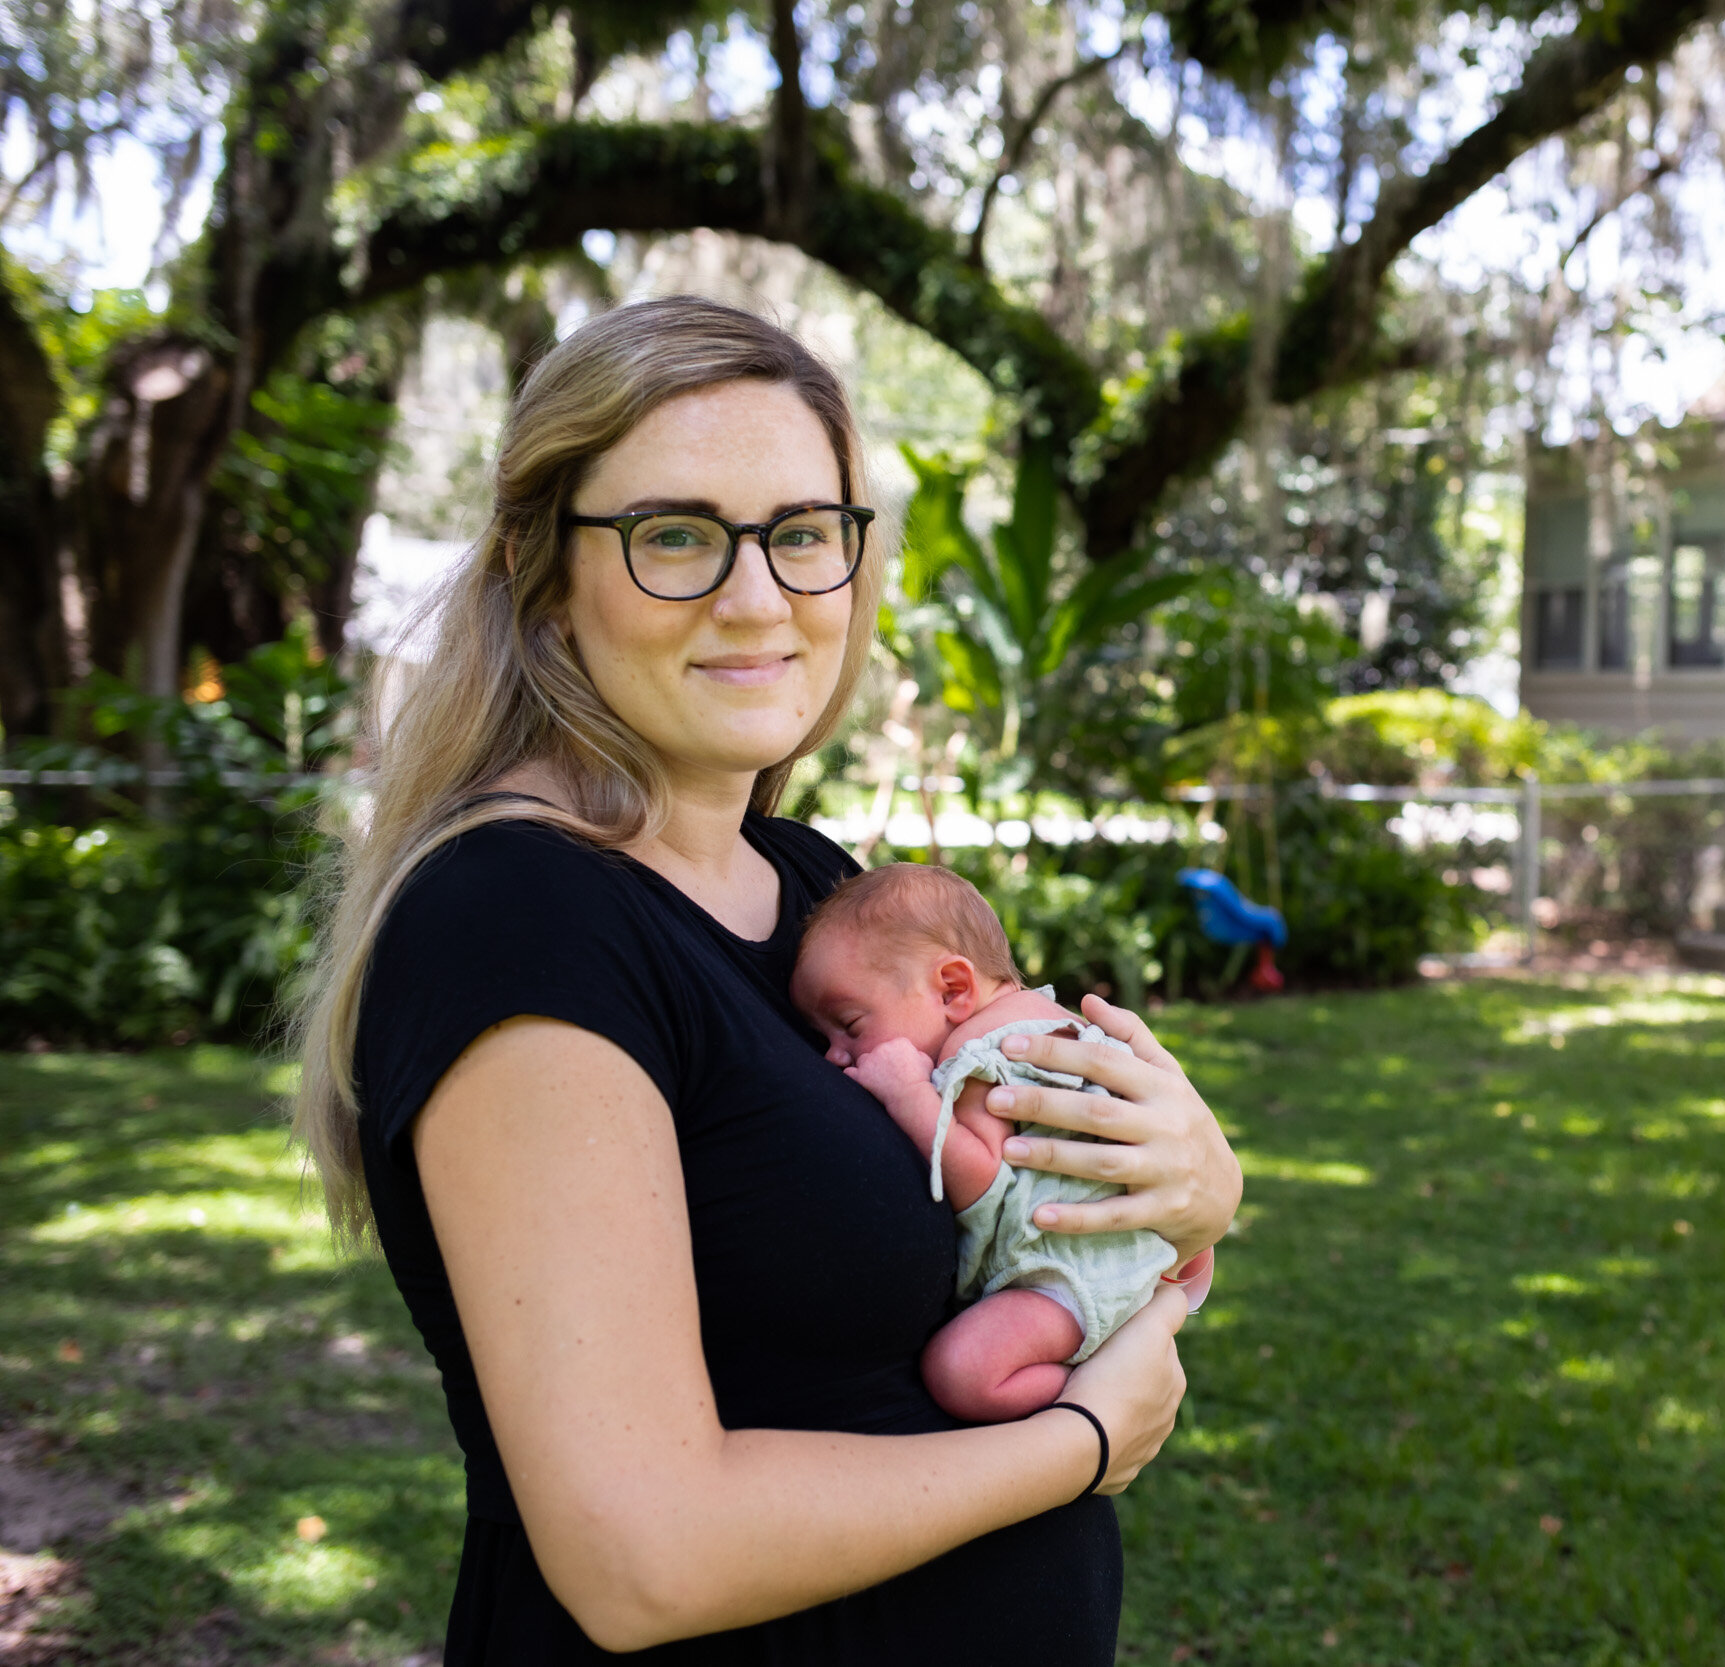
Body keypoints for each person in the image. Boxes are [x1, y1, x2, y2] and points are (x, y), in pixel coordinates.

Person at [288, 295, 1243, 1664]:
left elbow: (1005, 1186)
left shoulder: (804, 889)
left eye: (803, 534)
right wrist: (1078, 1442)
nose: (759, 596)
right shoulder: (517, 915)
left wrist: (1202, 1182)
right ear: (543, 575)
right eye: (676, 534)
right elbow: (642, 1553)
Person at [792, 862, 1217, 1423]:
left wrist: (907, 1094)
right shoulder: (1047, 1019)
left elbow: (983, 1180)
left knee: (962, 1370)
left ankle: (1094, 1389)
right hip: (1122, 1254)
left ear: (953, 989)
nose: (834, 1055)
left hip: (1065, 1277)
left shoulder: (981, 1054)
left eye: (850, 1024)